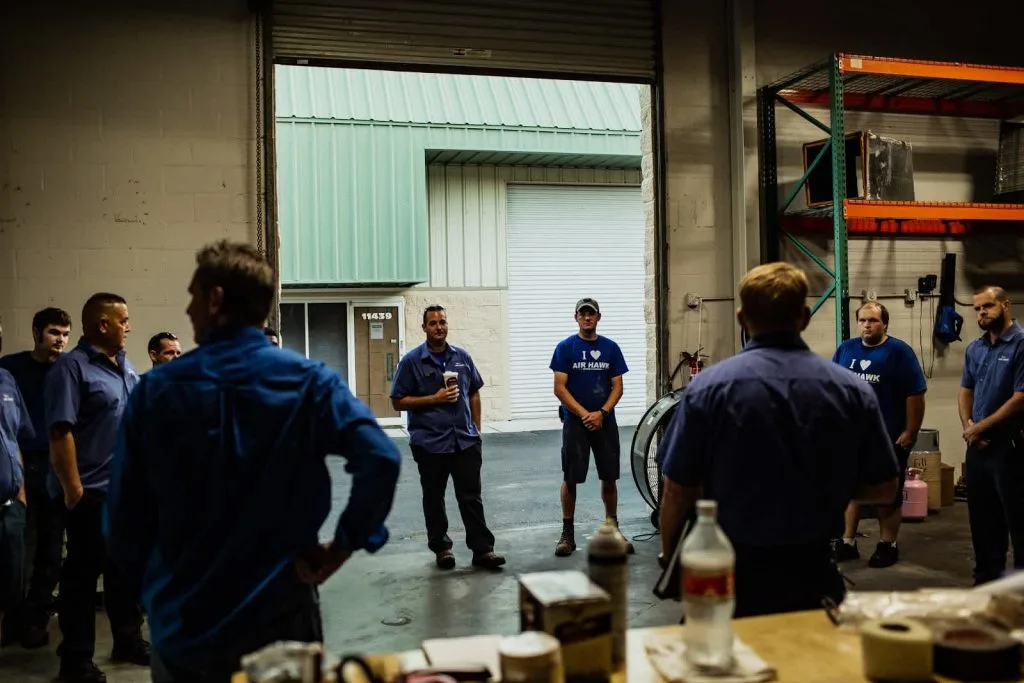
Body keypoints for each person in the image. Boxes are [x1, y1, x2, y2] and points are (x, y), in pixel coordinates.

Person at [105, 240, 403, 683]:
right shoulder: (310, 382)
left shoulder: (156, 391)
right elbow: (380, 457)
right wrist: (342, 547)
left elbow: (124, 517)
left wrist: (156, 591)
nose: (188, 310)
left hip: (187, 620)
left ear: (216, 299)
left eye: (192, 296)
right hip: (282, 614)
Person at [657, 262, 900, 618]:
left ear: (742, 318)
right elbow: (884, 488)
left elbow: (677, 488)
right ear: (804, 317)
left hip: (729, 576)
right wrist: (819, 489)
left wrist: (669, 555)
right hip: (812, 573)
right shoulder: (850, 390)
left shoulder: (708, 388)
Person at [45, 293, 148, 682]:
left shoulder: (125, 367)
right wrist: (74, 491)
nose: (129, 327)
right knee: (82, 580)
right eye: (123, 320)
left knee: (124, 573)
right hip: (92, 493)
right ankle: (75, 660)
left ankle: (127, 640)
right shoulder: (72, 369)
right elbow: (60, 432)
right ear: (103, 325)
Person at [390, 305, 505, 571]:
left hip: (465, 441)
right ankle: (442, 549)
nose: (439, 327)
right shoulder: (411, 362)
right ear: (424, 328)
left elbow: (474, 392)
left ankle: (483, 551)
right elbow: (397, 402)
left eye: (442, 322)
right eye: (433, 323)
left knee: (471, 497)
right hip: (430, 444)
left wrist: (476, 428)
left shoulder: (462, 358)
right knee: (434, 498)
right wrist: (435, 398)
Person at [832, 301, 927, 568]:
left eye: (873, 320)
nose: (867, 325)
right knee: (851, 491)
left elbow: (915, 394)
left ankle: (887, 544)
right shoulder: (846, 349)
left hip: (888, 438)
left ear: (885, 323)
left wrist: (910, 431)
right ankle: (847, 542)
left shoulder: (899, 352)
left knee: (888, 494)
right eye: (862, 320)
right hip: (852, 439)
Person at [0, 307, 71, 647]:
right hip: (20, 463)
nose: (60, 340)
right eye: (54, 332)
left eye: (65, 334)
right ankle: (13, 620)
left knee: (50, 546)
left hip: (55, 464)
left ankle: (35, 617)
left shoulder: (70, 369)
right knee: (16, 550)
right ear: (36, 332)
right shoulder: (10, 369)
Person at [549, 298, 632, 557]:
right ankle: (567, 535)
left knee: (609, 477)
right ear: (575, 317)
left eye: (591, 314)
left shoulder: (610, 348)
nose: (587, 318)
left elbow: (617, 386)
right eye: (583, 314)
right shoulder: (565, 348)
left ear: (598, 317)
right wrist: (586, 414)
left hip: (605, 422)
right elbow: (559, 388)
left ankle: (613, 531)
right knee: (571, 478)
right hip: (576, 423)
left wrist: (602, 413)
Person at [959, 286, 1024, 586]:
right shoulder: (976, 348)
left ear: (1005, 305)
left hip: (1011, 448)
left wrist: (980, 428)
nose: (982, 313)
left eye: (988, 306)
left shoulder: (1021, 345)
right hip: (978, 448)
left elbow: (1021, 397)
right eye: (977, 309)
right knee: (983, 523)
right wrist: (969, 427)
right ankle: (986, 584)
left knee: (1018, 522)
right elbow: (965, 390)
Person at [0, 321, 34, 647]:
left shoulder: (6, 380)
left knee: (12, 582)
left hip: (11, 504)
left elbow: (17, 436)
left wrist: (21, 486)